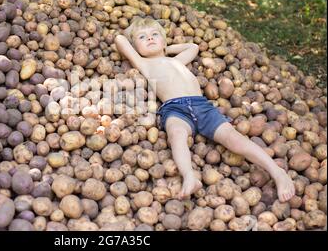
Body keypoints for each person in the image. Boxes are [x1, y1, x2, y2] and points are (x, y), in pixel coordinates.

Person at [114, 17, 295, 202]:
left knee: (233, 139)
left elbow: (192, 47)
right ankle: (189, 176)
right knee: (176, 135)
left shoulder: (177, 60)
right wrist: (140, 46)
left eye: (155, 35)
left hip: (201, 105)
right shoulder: (143, 64)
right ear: (135, 48)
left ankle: (276, 171)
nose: (150, 38)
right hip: (175, 108)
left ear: (163, 40)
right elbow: (120, 39)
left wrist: (166, 48)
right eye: (142, 37)